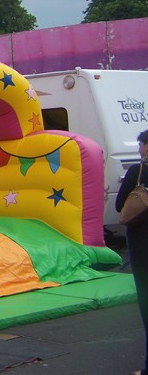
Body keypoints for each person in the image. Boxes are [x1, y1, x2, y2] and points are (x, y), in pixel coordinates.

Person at [116, 129, 148, 375]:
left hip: (142, 245)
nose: (139, 149)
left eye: (140, 144)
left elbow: (120, 206)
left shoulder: (138, 171)